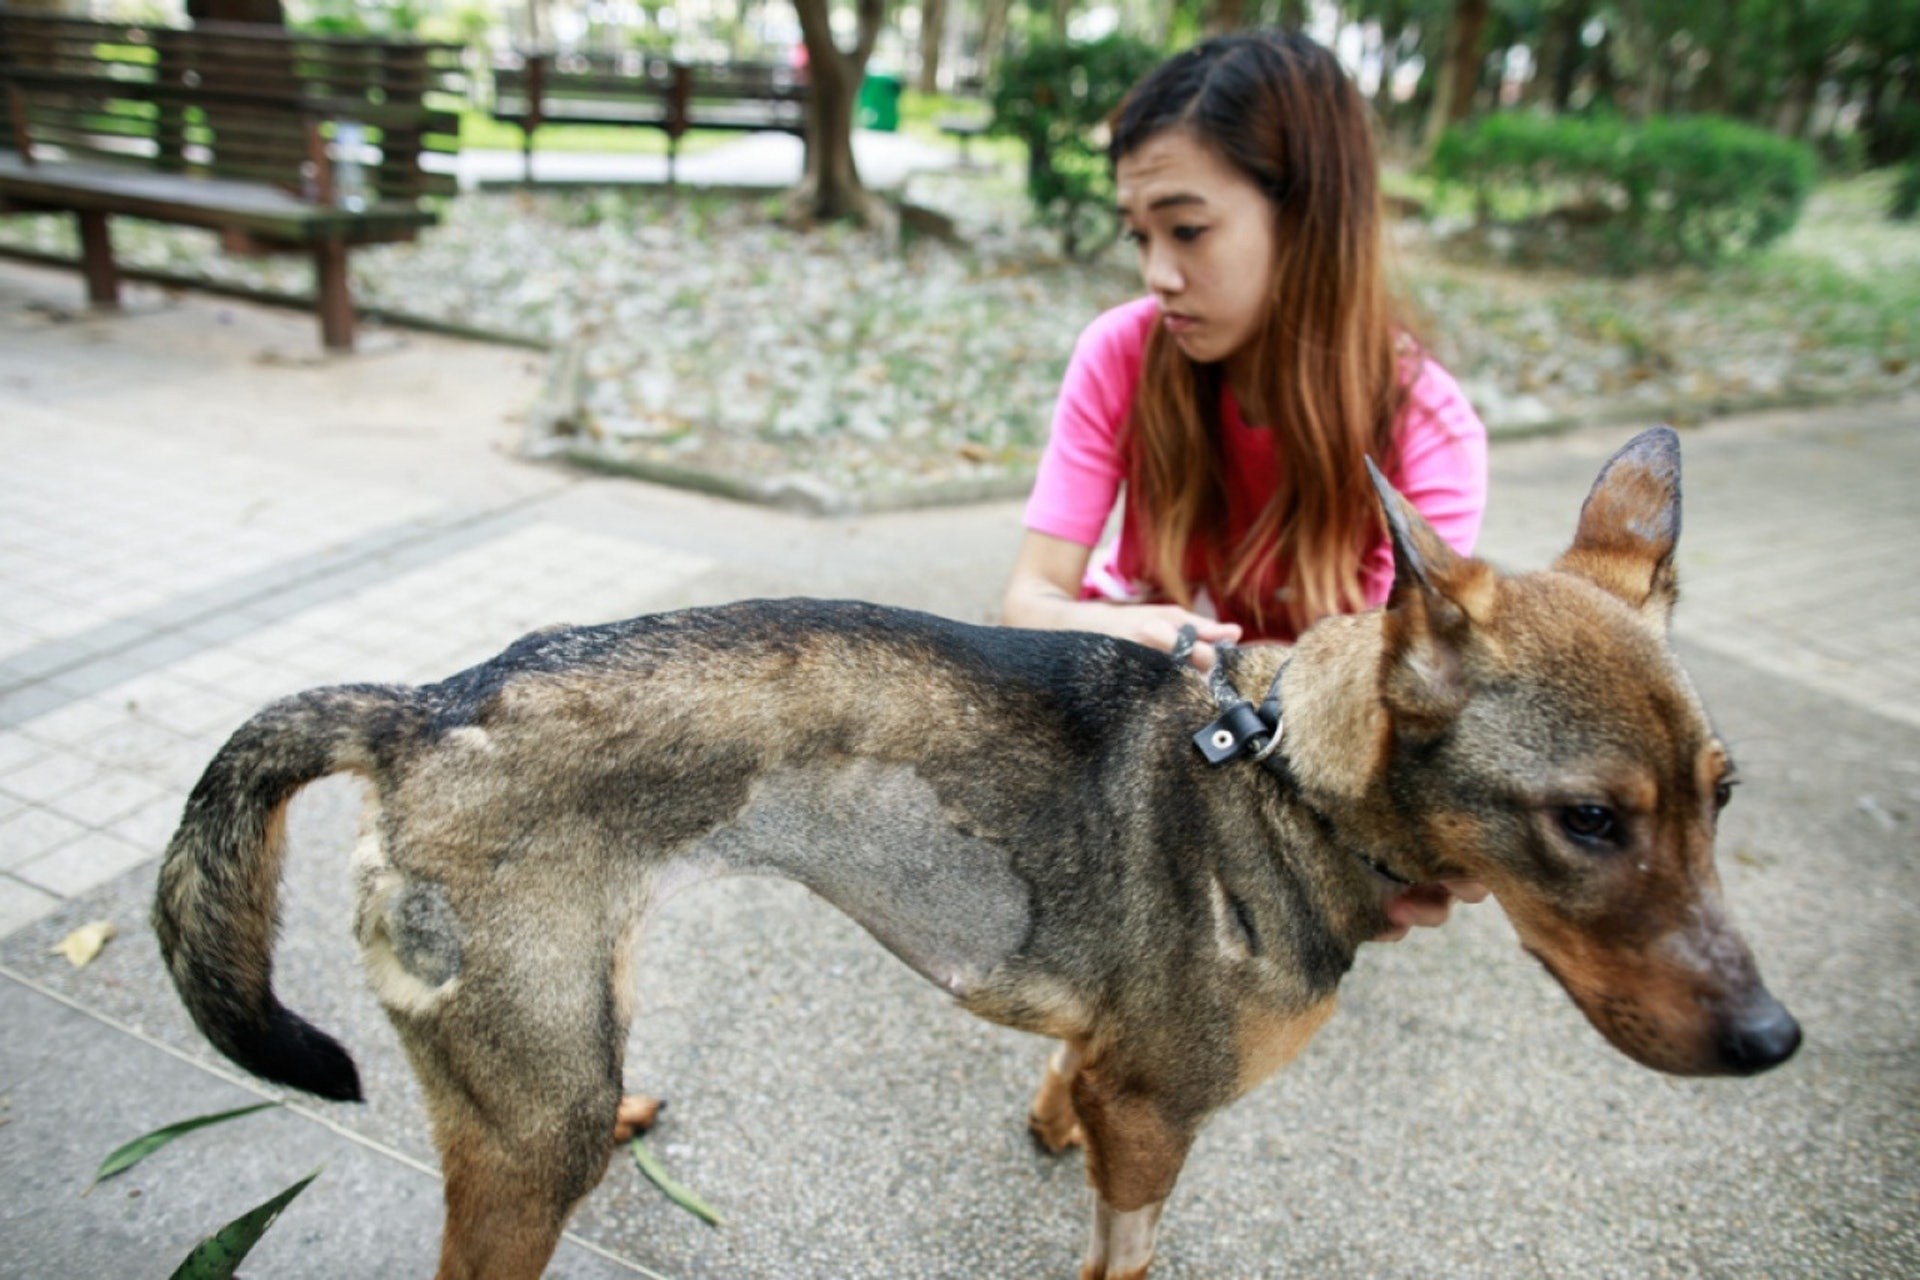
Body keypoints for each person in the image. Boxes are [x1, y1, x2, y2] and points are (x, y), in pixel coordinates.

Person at [999, 30, 1488, 938]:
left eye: (1187, 230)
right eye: (1140, 235)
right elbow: (1030, 600)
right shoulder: (1120, 352)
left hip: (1294, 756)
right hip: (1139, 708)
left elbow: (1407, 695)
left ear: (1306, 213)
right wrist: (1122, 627)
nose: (1159, 274)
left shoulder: (1425, 427)